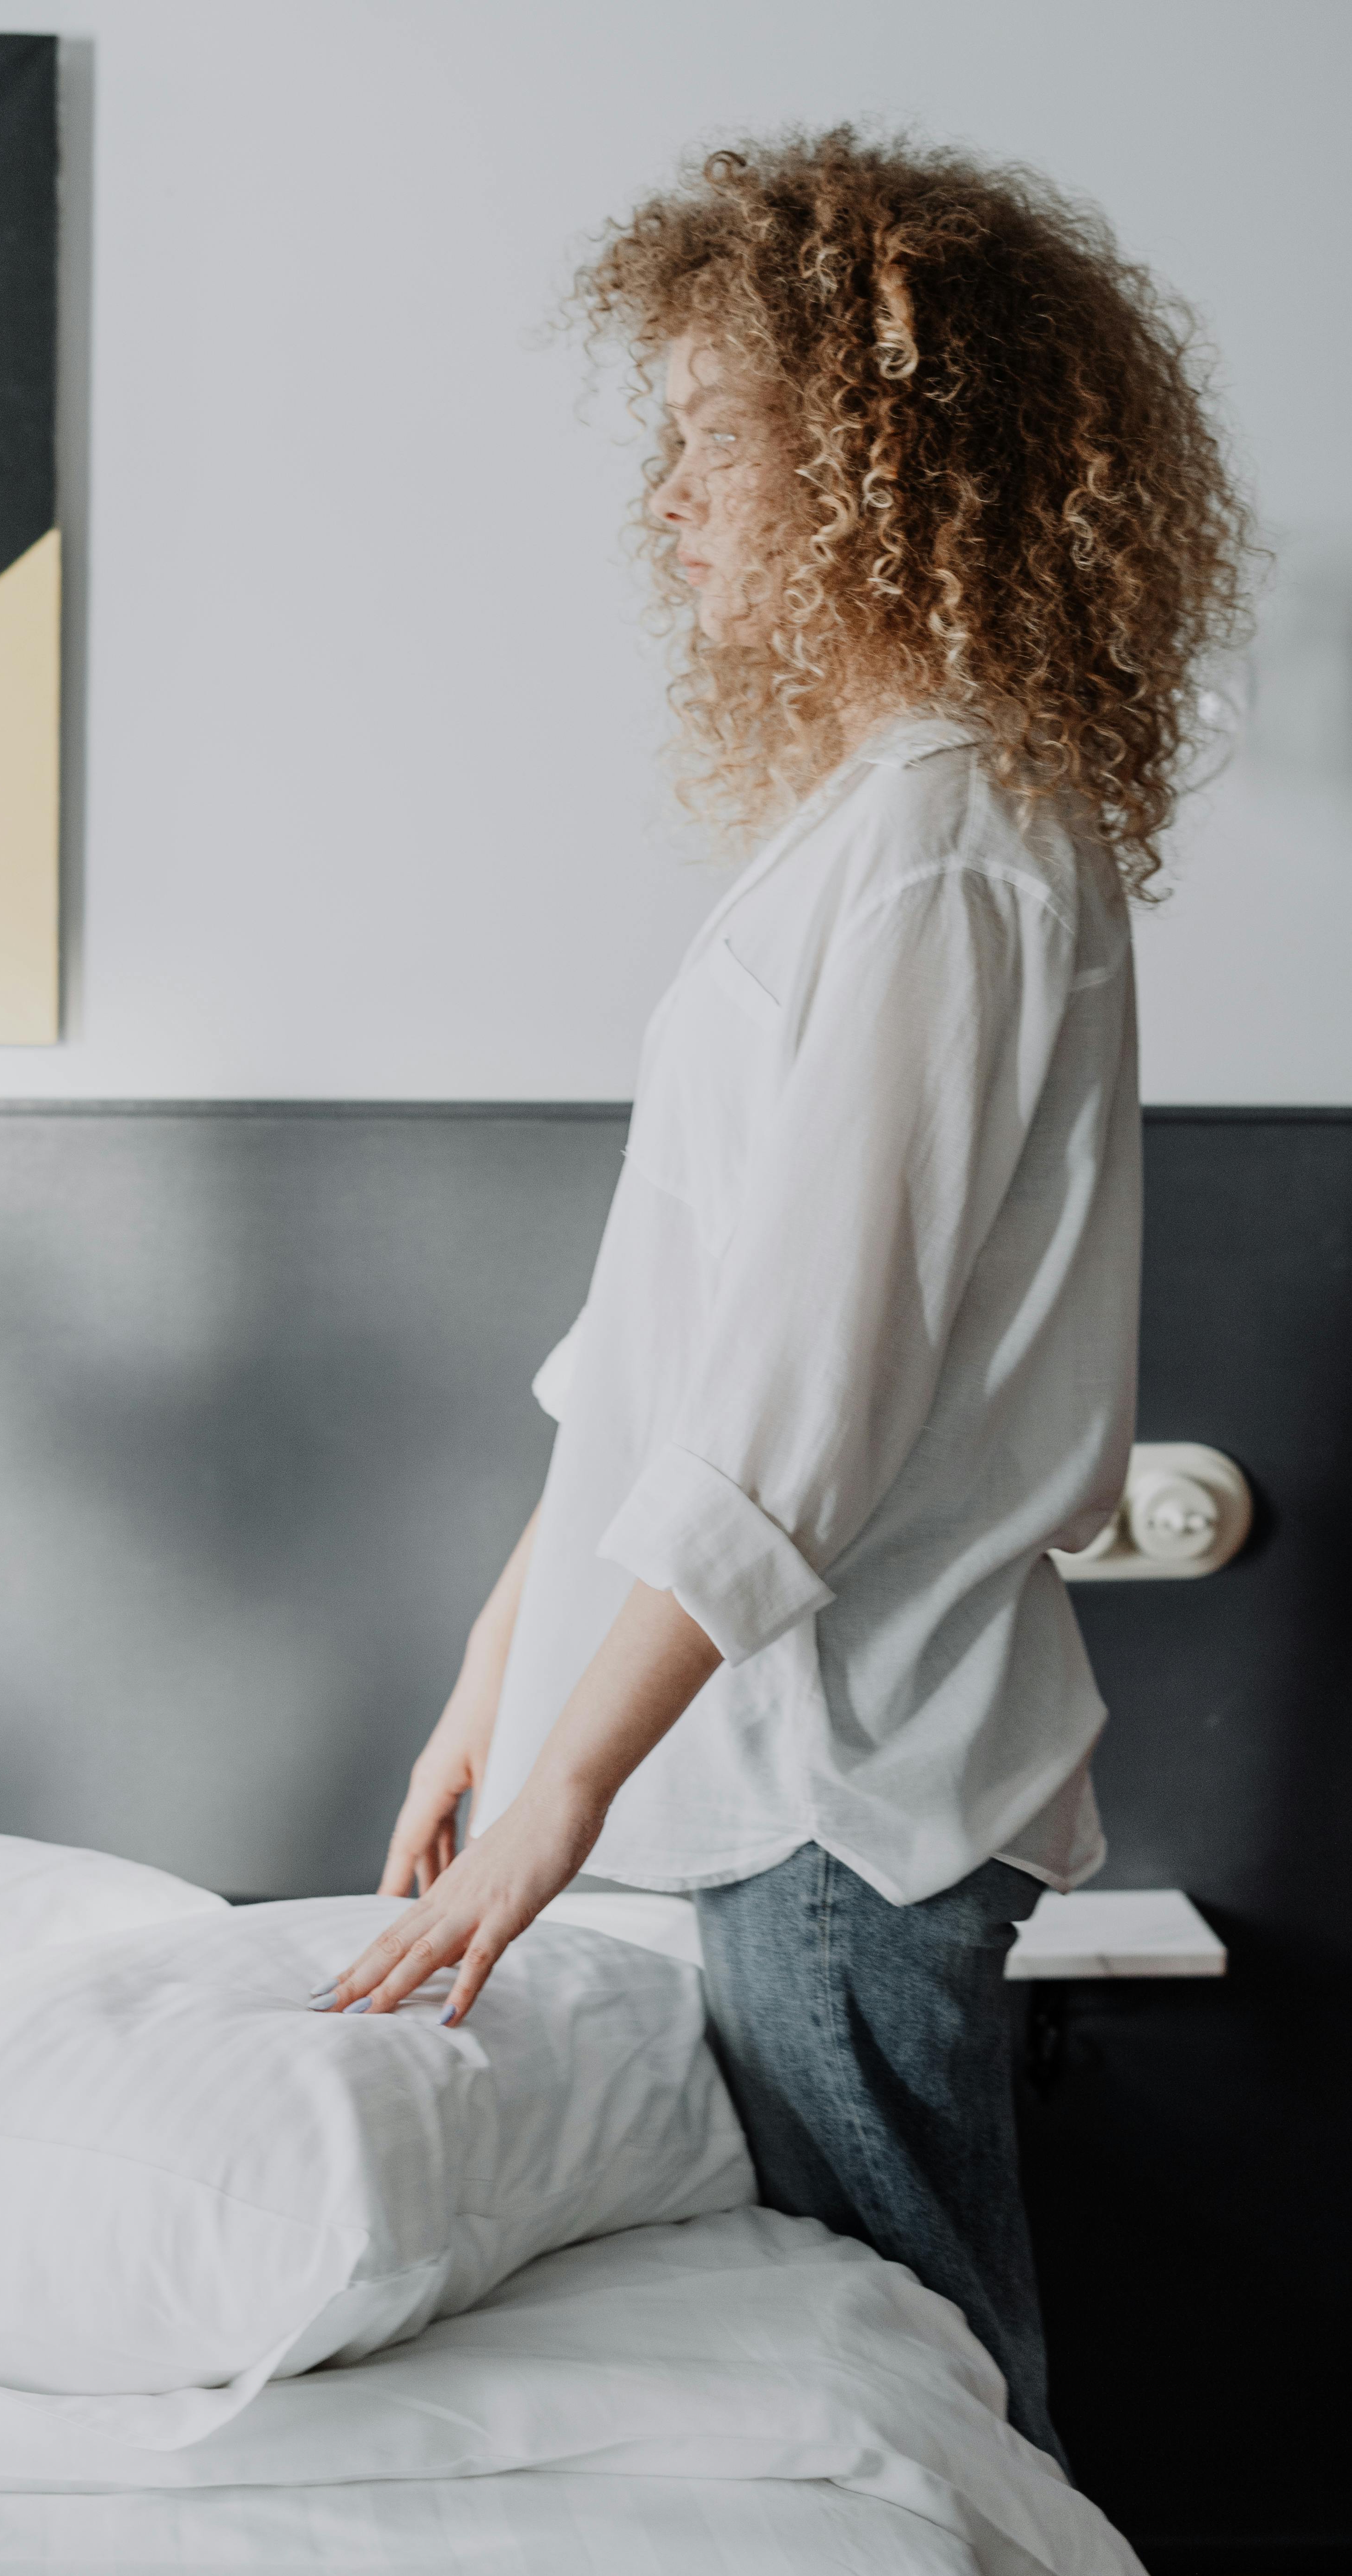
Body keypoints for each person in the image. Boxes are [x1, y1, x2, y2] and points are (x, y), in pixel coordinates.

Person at [311, 127, 1254, 2467]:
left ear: (881, 463)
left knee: (910, 2424)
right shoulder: (879, 829)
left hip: (837, 1795)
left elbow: (804, 1405)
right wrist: (496, 1685)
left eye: (714, 438)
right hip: (781, 1788)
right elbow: (672, 1346)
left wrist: (562, 1789)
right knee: (872, 2398)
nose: (671, 503)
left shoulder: (950, 846)